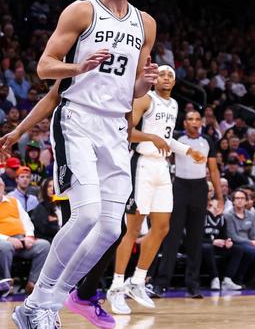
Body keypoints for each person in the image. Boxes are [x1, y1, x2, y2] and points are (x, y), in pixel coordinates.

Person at [12, 0, 157, 329]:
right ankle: (39, 302)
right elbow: (44, 67)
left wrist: (145, 82)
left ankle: (41, 305)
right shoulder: (81, 11)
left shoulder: (145, 23)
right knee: (87, 214)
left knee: (111, 227)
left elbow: (134, 90)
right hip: (77, 118)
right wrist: (79, 68)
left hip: (114, 127)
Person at [1, 57, 159, 329]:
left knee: (111, 230)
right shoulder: (82, 58)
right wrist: (19, 130)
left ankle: (55, 301)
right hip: (76, 142)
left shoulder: (125, 74)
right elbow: (52, 97)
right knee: (82, 221)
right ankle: (44, 304)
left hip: (109, 146)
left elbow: (129, 110)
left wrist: (141, 88)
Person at [107, 65, 208, 313]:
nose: (165, 78)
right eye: (162, 74)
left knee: (162, 228)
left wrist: (187, 150)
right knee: (132, 230)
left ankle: (138, 281)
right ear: (154, 79)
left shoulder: (173, 105)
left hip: (162, 168)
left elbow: (165, 137)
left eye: (170, 76)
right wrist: (151, 139)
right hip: (141, 164)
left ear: (174, 82)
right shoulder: (145, 99)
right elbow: (126, 132)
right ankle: (116, 287)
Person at [153, 109, 223, 298]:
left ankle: (193, 285)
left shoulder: (208, 141)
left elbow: (214, 171)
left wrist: (219, 196)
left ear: (201, 122)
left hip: (200, 188)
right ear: (184, 123)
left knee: (196, 239)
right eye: (190, 119)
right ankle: (161, 284)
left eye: (197, 119)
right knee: (172, 238)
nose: (194, 122)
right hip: (179, 188)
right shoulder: (177, 139)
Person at [0, 177, 50, 297]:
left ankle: (32, 283)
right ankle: (5, 284)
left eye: (0, 185)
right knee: (5, 246)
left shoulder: (13, 201)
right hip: (4, 241)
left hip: (21, 240)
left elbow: (26, 221)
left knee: (44, 245)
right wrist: (8, 239)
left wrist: (29, 236)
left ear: (3, 187)